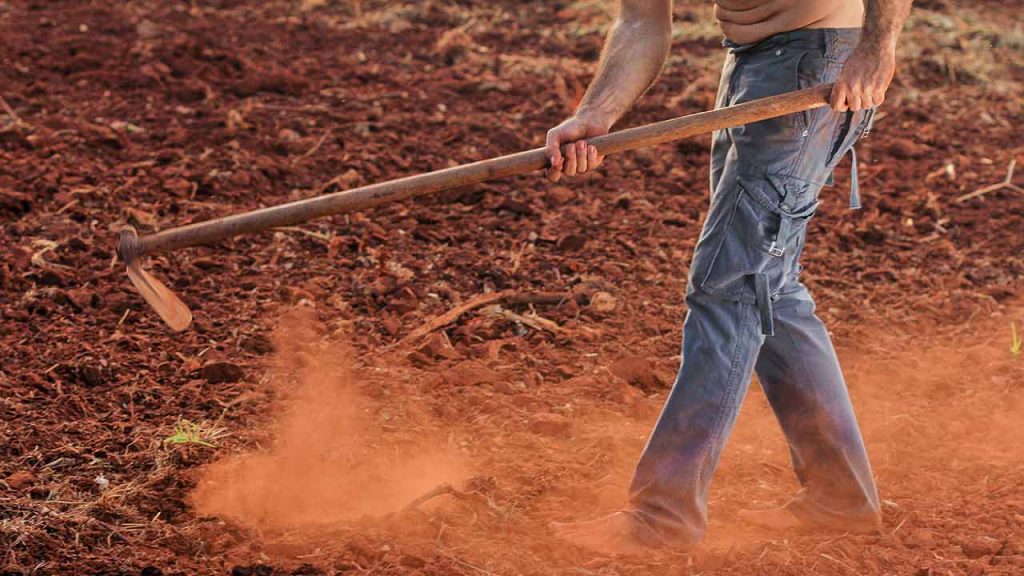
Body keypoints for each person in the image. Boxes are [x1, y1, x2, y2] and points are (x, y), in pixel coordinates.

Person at [545, 0, 913, 553]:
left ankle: (662, 517)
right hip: (754, 63)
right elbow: (643, 21)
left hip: (818, 62)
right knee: (768, 285)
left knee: (731, 286)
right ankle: (840, 496)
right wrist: (596, 113)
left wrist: (877, 47)